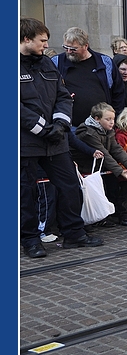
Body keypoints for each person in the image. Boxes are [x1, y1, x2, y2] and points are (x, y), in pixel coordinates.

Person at [20, 17, 104, 258]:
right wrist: (41, 128)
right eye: (42, 41)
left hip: (56, 141)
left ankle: (74, 233)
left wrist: (60, 124)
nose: (46, 45)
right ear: (27, 39)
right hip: (27, 143)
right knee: (26, 193)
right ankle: (30, 240)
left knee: (69, 186)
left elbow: (63, 96)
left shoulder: (47, 65)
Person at [73, 102, 127, 226]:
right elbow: (104, 154)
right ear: (97, 119)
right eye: (108, 119)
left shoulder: (108, 131)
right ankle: (84, 222)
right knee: (85, 196)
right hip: (83, 167)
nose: (112, 122)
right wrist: (120, 170)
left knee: (99, 193)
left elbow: (116, 149)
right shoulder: (88, 133)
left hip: (95, 167)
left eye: (113, 118)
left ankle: (100, 218)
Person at [52, 26, 126, 128]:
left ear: (86, 46)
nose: (68, 51)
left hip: (100, 127)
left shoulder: (105, 63)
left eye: (73, 49)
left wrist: (114, 119)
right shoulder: (57, 62)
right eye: (65, 47)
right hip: (69, 126)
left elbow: (118, 92)